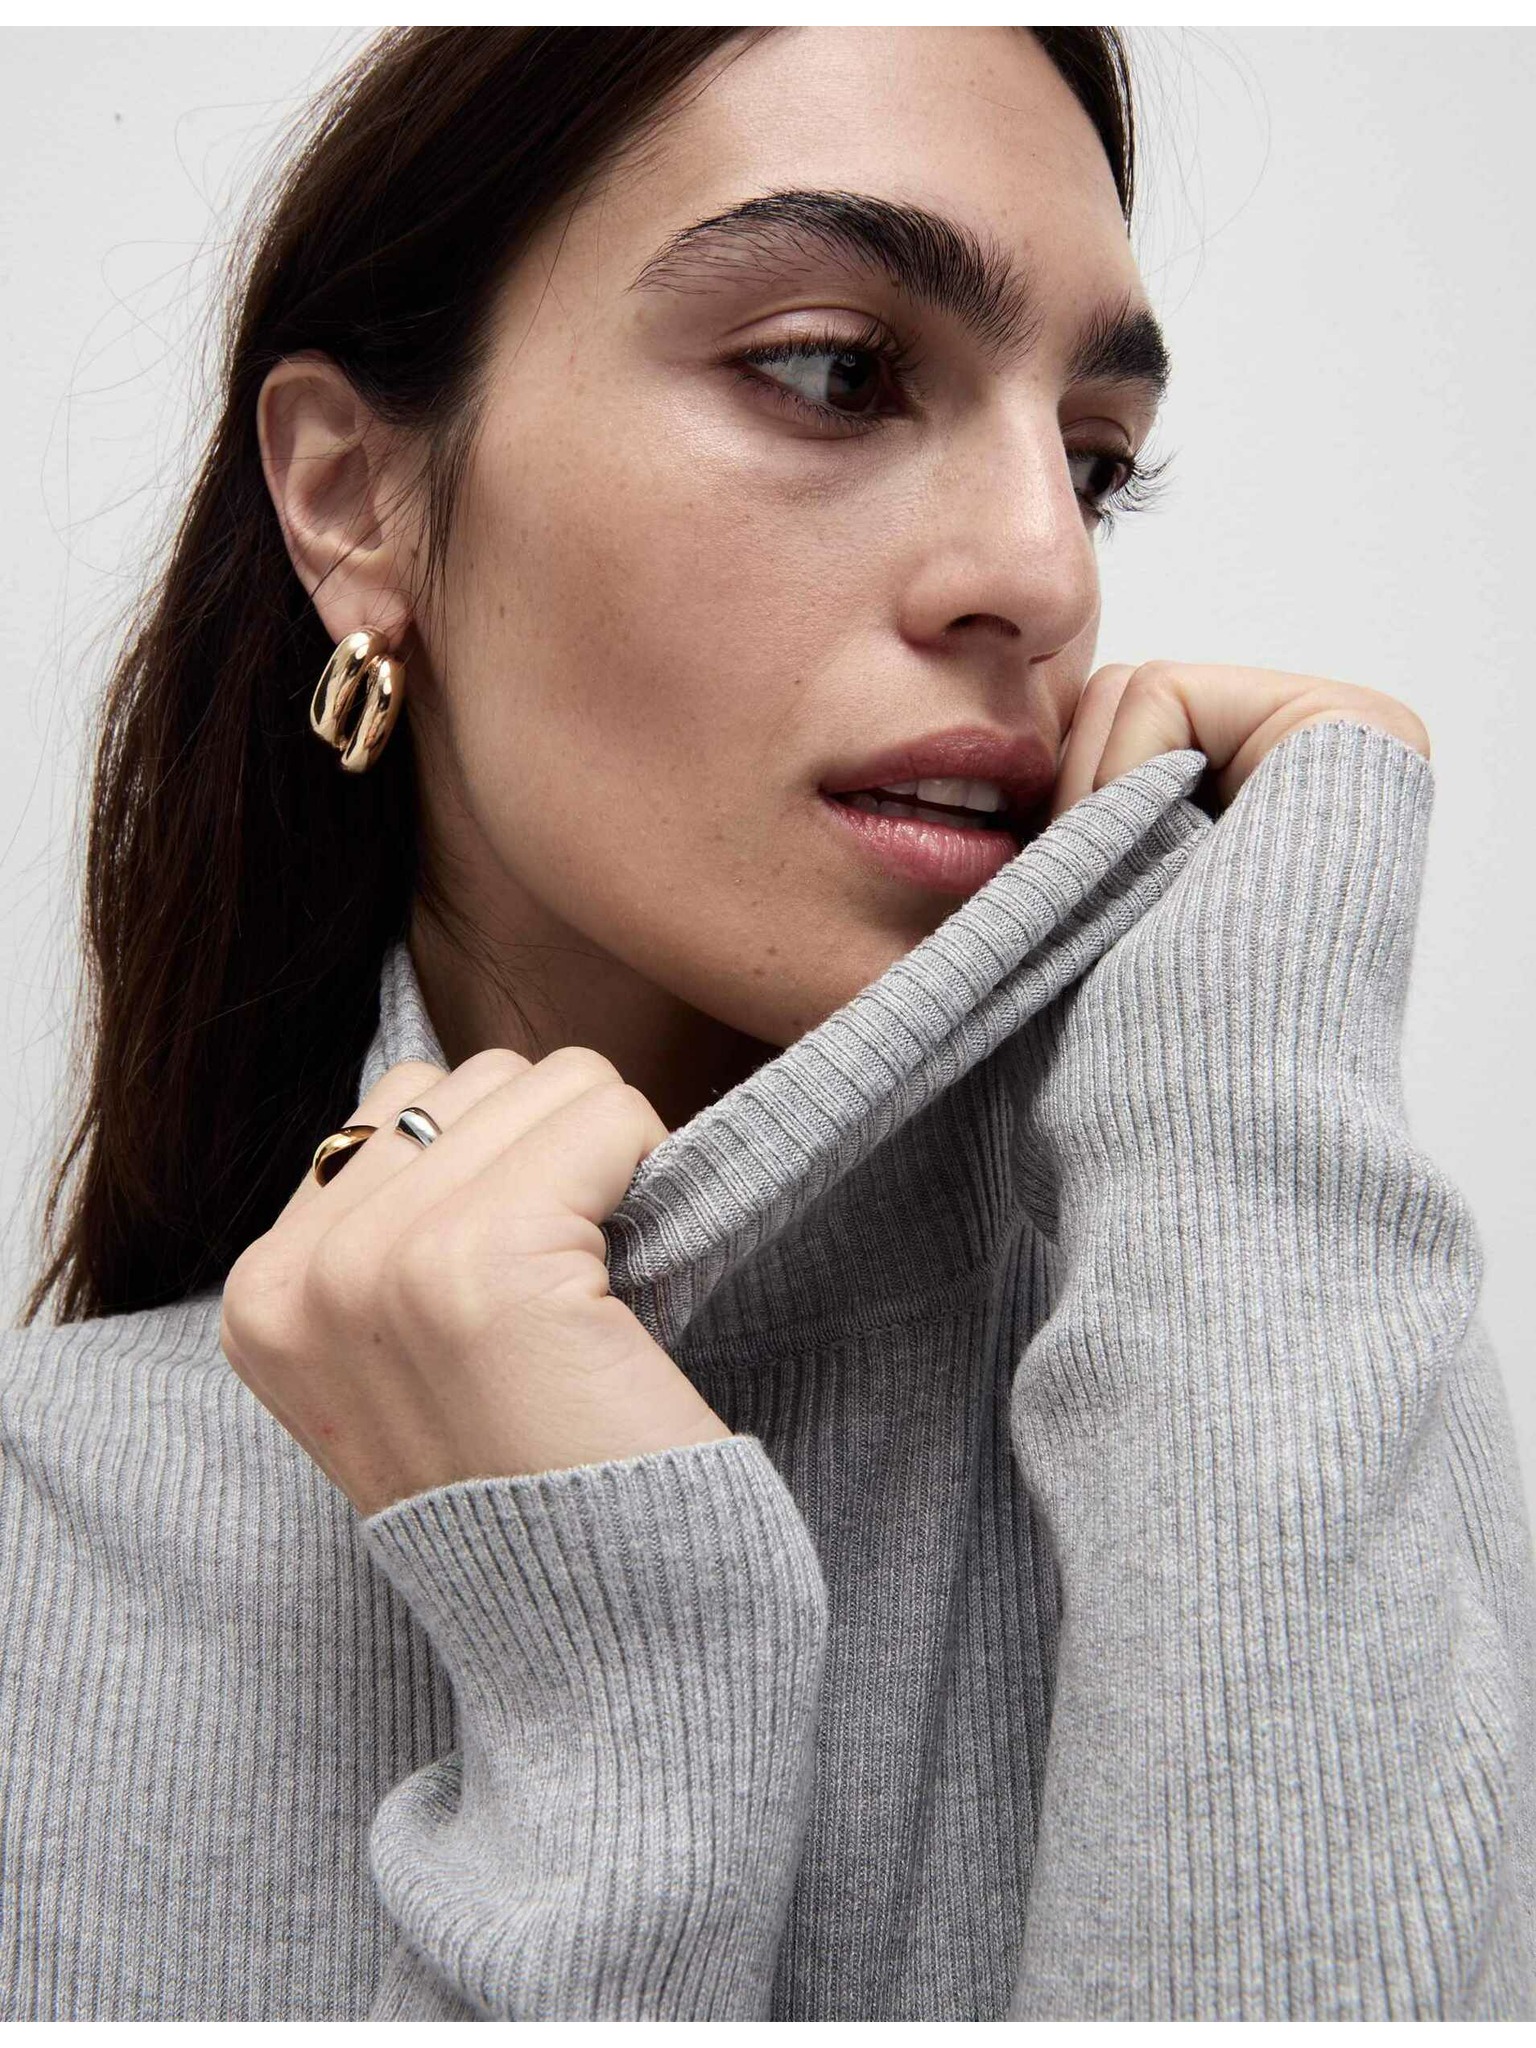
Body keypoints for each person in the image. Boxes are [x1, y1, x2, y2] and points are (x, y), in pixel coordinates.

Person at [2, 24, 1531, 2023]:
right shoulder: (45, 1545)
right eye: (832, 372)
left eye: (1094, 464)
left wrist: (1246, 1080)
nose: (1041, 572)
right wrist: (627, 1685)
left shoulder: (1294, 1375)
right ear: (355, 498)